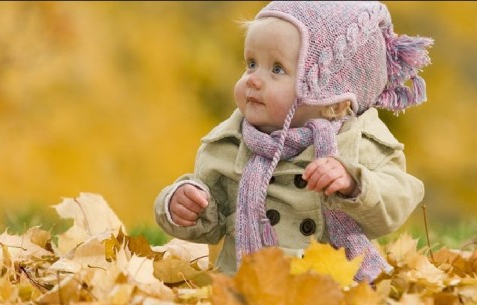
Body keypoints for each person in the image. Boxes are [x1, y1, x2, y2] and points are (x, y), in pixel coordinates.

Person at [154, 1, 433, 283]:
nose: (253, 79)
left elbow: (396, 200)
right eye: (251, 64)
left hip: (333, 288)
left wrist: (354, 184)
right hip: (246, 285)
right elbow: (210, 225)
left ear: (331, 100)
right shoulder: (229, 143)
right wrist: (184, 204)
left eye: (277, 69)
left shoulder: (359, 143)